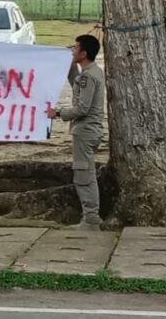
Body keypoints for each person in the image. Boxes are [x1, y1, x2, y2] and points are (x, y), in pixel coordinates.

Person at [47, 34, 104, 230]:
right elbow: (77, 87)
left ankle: (91, 219)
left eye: (75, 48)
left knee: (84, 175)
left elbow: (82, 108)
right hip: (88, 131)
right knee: (85, 172)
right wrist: (70, 67)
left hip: (86, 131)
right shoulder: (90, 73)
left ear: (84, 53)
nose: (72, 50)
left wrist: (58, 113)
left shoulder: (89, 76)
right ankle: (90, 217)